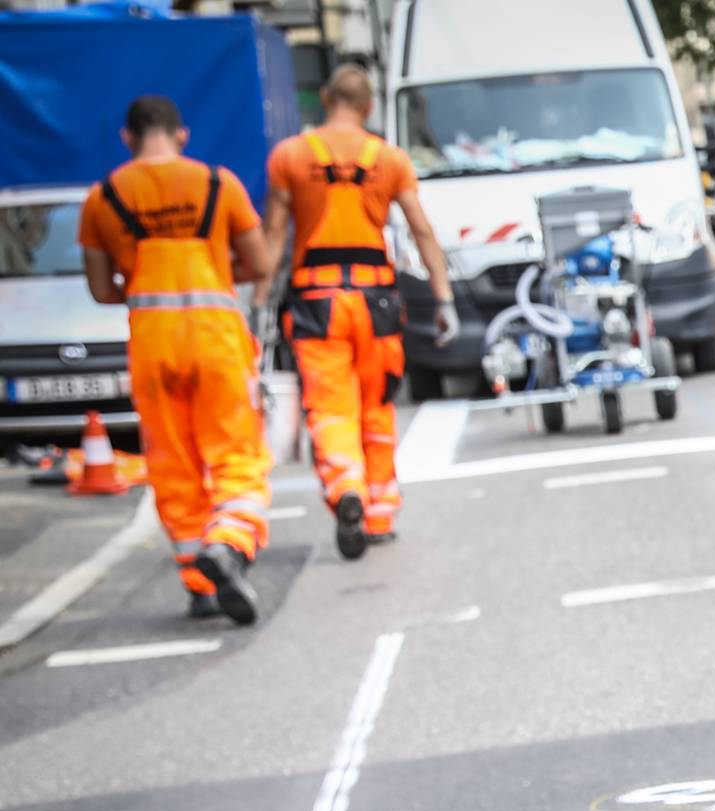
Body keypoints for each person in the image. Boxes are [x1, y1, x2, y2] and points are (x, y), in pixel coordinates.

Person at [79, 95, 277, 625]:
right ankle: (230, 545)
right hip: (215, 337)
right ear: (181, 134)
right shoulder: (219, 185)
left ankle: (199, 583)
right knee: (237, 455)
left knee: (173, 465)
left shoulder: (103, 198)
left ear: (128, 137)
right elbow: (258, 264)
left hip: (153, 342)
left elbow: (101, 289)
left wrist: (148, 284)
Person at [261, 65, 459, 559]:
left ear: (325, 98)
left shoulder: (290, 156)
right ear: (369, 107)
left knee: (330, 408)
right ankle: (377, 512)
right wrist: (444, 300)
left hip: (316, 303)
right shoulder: (388, 159)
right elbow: (421, 231)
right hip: (377, 304)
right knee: (376, 408)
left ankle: (346, 487)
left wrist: (259, 307)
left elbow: (273, 238)